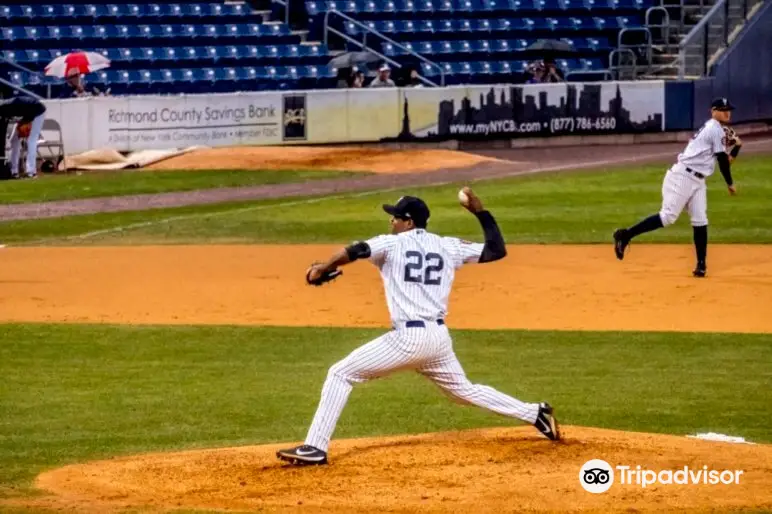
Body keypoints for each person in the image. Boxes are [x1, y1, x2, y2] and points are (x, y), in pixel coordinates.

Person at [276, 189, 560, 466]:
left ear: (409, 222)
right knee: (463, 391)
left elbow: (355, 250)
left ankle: (315, 447)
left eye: (396, 217)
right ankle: (535, 414)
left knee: (340, 373)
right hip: (437, 339)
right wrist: (480, 212)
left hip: (408, 339)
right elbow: (496, 250)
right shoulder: (447, 245)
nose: (391, 221)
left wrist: (321, 269)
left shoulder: (391, 244)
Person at [613, 97, 742, 278]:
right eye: (723, 109)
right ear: (713, 111)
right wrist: (730, 183)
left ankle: (701, 265)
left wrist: (737, 148)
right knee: (668, 217)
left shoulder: (716, 130)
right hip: (683, 176)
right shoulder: (714, 128)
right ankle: (625, 235)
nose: (727, 112)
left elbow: (726, 160)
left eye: (729, 109)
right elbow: (722, 161)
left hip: (698, 180)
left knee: (700, 220)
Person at [0, 95, 47, 179]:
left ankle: (31, 171)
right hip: (25, 114)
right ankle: (14, 171)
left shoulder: (6, 107)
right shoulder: (5, 107)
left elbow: (29, 114)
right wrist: (22, 123)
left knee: (31, 140)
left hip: (37, 113)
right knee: (14, 140)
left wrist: (25, 123)